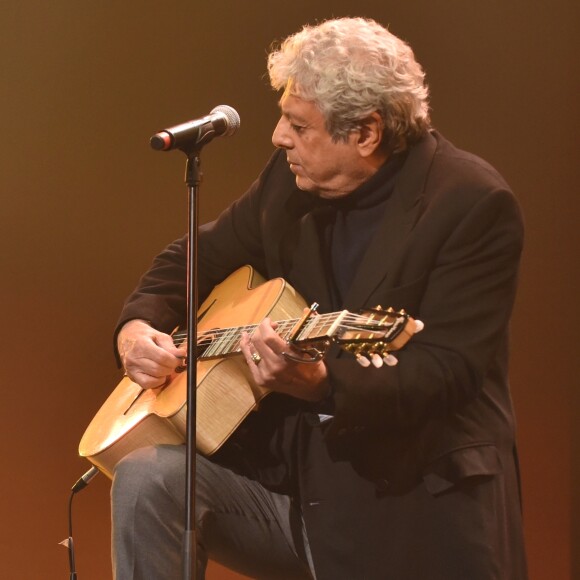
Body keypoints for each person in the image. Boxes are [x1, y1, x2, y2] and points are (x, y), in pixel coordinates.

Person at [111, 17, 527, 580]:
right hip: (300, 494)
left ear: (366, 134)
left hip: (411, 505)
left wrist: (324, 384)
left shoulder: (471, 205)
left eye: (297, 124)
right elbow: (192, 259)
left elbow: (447, 371)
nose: (279, 137)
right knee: (147, 479)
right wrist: (135, 330)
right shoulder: (288, 183)